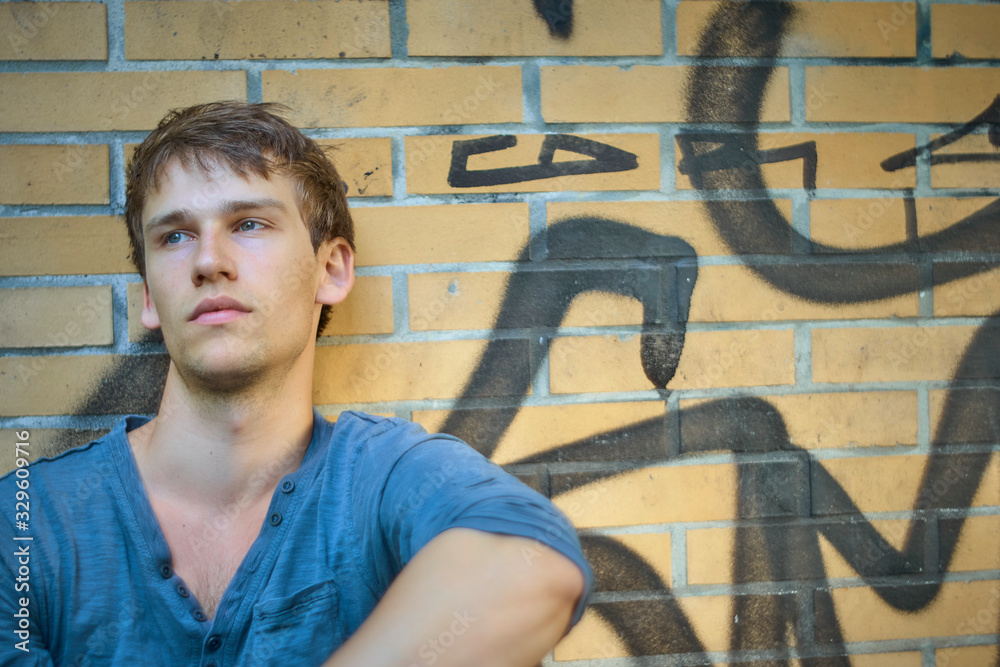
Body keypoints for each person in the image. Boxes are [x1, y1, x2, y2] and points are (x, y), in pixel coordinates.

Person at [0, 102, 591, 666]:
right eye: (175, 235)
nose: (208, 261)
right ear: (150, 296)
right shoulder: (24, 525)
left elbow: (528, 562)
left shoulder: (379, 477)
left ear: (330, 269)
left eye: (248, 224)